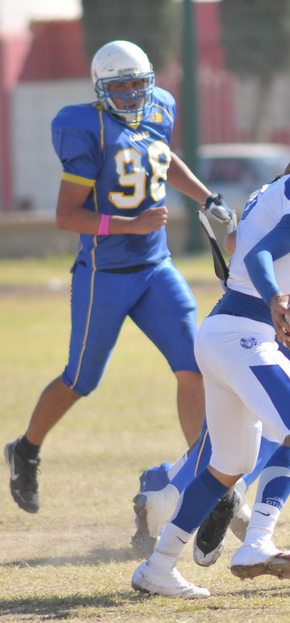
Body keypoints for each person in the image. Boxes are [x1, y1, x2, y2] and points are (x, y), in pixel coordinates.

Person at [130, 111, 290, 599]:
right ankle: (258, 542)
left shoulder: (279, 186)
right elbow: (259, 254)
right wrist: (275, 298)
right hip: (245, 334)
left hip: (222, 332)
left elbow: (246, 248)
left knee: (229, 464)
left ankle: (158, 567)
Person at [4, 40, 233, 515]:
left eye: (137, 84)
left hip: (156, 268)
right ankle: (25, 449)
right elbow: (67, 215)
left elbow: (163, 158)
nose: (130, 93)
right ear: (100, 89)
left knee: (192, 366)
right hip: (104, 275)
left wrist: (206, 197)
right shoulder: (86, 128)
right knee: (80, 380)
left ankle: (203, 478)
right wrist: (131, 224)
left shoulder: (159, 108)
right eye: (120, 86)